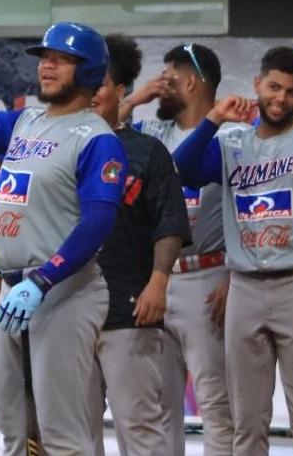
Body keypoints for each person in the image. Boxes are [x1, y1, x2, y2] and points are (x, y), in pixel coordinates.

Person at [0, 21, 126, 456]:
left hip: (64, 290)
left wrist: (43, 281)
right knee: (15, 432)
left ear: (89, 70)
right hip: (15, 286)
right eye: (44, 57)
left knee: (64, 435)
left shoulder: (98, 139)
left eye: (60, 58)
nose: (47, 66)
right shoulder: (25, 122)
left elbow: (97, 223)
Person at [174, 46, 293, 455]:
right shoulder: (231, 141)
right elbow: (183, 168)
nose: (280, 99)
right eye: (274, 87)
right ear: (257, 84)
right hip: (244, 285)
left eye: (292, 92)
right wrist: (213, 118)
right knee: (247, 420)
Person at [120, 42, 234, 454]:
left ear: (190, 81)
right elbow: (100, 129)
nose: (160, 86)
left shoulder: (232, 133)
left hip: (209, 275)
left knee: (216, 403)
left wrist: (236, 276)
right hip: (159, 279)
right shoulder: (154, 133)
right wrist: (135, 98)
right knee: (159, 404)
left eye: (167, 78)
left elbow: (250, 211)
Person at [87, 34, 190, 455]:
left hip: (128, 306)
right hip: (68, 309)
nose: (91, 93)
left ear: (120, 90)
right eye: (87, 83)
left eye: (100, 84)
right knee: (75, 430)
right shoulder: (61, 147)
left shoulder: (147, 151)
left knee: (142, 429)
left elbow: (170, 222)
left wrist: (159, 282)